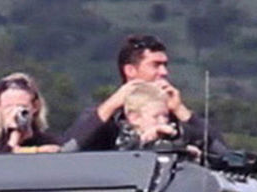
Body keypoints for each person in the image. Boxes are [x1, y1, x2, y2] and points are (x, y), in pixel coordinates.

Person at [62, 33, 228, 157]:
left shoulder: (177, 121)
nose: (164, 72)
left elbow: (223, 154)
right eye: (155, 65)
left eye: (165, 65)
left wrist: (181, 111)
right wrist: (111, 105)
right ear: (130, 70)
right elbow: (67, 150)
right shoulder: (106, 120)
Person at [0, 72, 61, 153]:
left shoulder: (50, 144)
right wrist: (13, 139)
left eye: (22, 106)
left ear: (35, 106)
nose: (15, 112)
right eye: (8, 107)